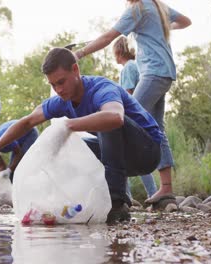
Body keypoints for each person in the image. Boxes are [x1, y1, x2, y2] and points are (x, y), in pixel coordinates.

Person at [0, 48, 163, 223]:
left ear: (75, 70)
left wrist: (68, 125)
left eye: (61, 81)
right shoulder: (62, 101)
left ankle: (116, 202)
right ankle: (72, 201)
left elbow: (115, 117)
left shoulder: (101, 88)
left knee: (104, 122)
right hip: (122, 157)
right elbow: (28, 121)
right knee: (66, 146)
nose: (58, 89)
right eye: (53, 85)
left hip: (147, 152)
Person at [74, 0, 191, 204]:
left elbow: (109, 37)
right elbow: (185, 22)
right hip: (163, 72)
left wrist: (78, 54)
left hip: (153, 73)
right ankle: (165, 189)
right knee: (156, 128)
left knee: (122, 120)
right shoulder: (157, 6)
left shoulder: (138, 9)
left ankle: (119, 190)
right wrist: (162, 30)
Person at [113, 36, 157, 199]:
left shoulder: (128, 68)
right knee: (134, 157)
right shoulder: (136, 66)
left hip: (132, 120)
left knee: (124, 155)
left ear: (118, 52)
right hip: (143, 118)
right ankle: (146, 194)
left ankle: (129, 196)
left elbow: (128, 94)